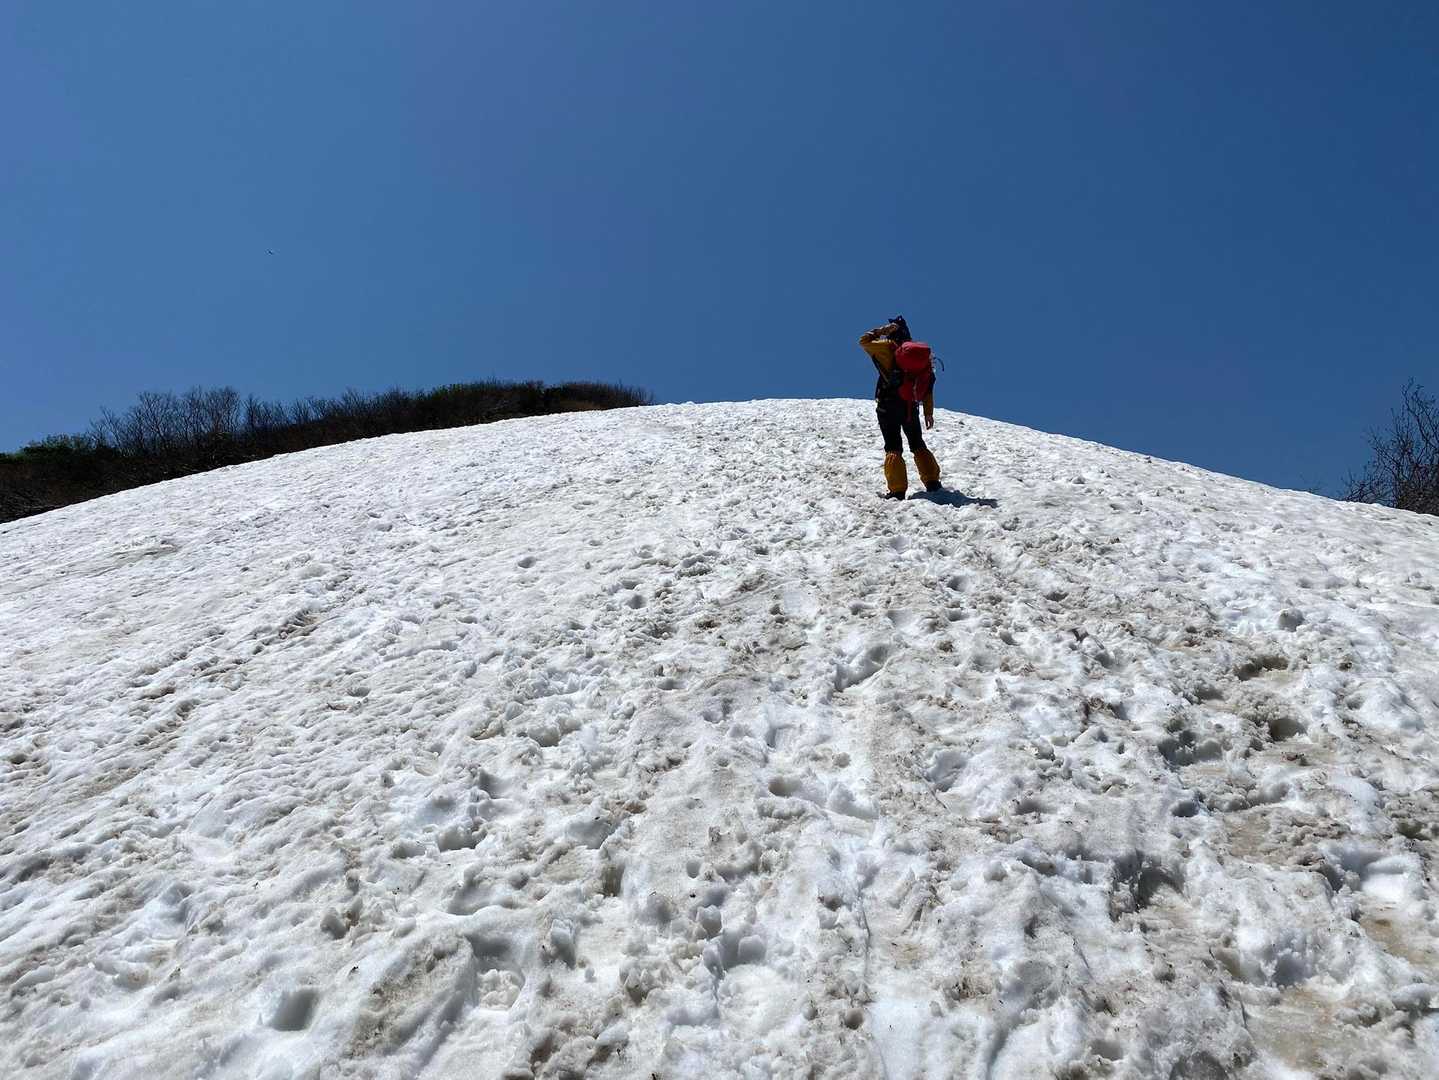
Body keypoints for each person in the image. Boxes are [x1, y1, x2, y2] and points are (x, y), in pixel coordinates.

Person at [858, 315, 941, 499]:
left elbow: (863, 341)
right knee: (917, 443)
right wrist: (928, 412)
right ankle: (932, 481)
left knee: (893, 446)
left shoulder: (887, 348)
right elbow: (928, 385)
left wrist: (882, 331)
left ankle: (897, 490)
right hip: (910, 406)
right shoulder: (921, 357)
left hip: (888, 407)